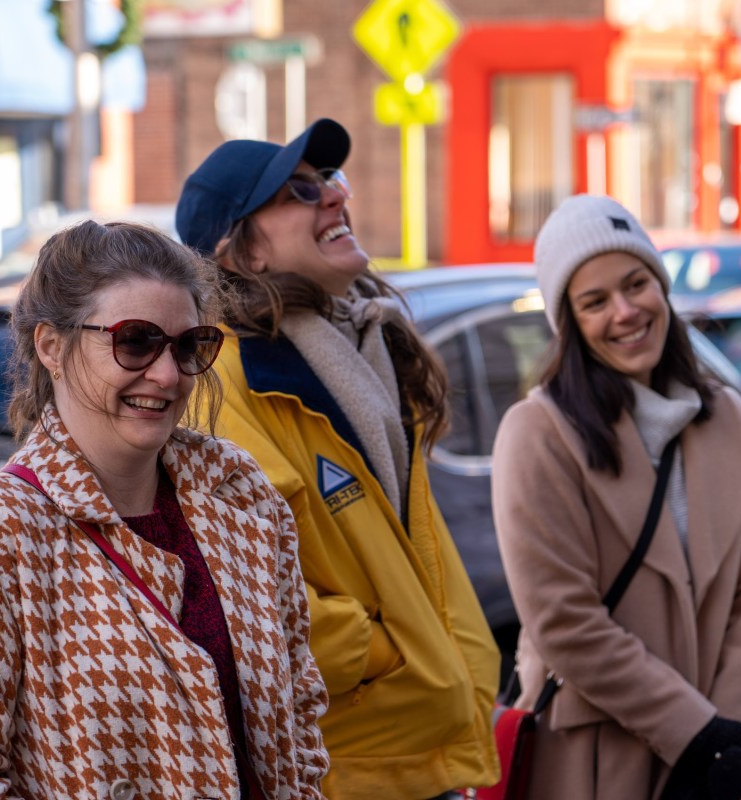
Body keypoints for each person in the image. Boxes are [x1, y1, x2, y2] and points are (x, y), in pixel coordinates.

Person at [175, 118, 500, 800]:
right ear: (242, 252)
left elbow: (417, 560)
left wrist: (456, 666)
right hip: (349, 771)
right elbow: (238, 599)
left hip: (423, 757)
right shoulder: (227, 387)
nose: (332, 196)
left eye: (330, 181)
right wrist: (382, 653)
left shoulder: (360, 350)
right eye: (299, 190)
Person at [0, 220, 329, 800]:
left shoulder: (239, 492)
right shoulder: (8, 532)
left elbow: (299, 713)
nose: (168, 374)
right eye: (136, 341)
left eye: (188, 345)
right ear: (51, 345)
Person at [491, 194, 741, 800]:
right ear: (570, 322)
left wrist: (725, 740)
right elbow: (563, 620)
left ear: (661, 285)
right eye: (595, 301)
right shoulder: (538, 433)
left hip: (712, 759)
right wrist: (695, 732)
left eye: (636, 284)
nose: (625, 312)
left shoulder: (725, 416)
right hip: (592, 762)